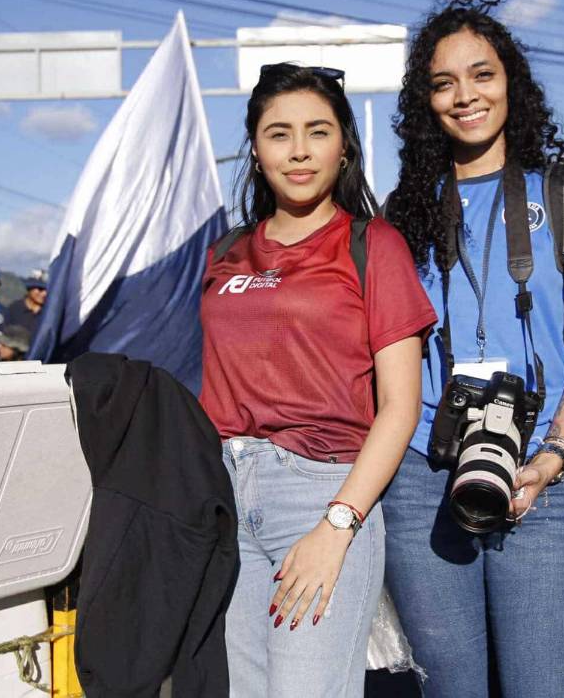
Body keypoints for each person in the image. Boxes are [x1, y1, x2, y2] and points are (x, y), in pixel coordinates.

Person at [383, 0, 564, 697]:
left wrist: (548, 458)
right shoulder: (404, 212)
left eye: (482, 74)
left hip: (545, 469)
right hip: (424, 474)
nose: (465, 96)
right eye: (444, 82)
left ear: (511, 80)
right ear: (426, 102)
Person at [198, 63, 435, 697]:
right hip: (224, 491)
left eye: (317, 131)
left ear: (345, 145)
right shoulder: (226, 253)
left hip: (320, 493)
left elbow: (400, 406)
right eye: (279, 133)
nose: (299, 150)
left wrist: (338, 526)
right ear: (255, 147)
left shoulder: (371, 244)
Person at [5, 269, 47, 339]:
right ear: (29, 288)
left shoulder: (50, 312)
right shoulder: (14, 309)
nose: (44, 294)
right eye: (40, 289)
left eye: (47, 289)